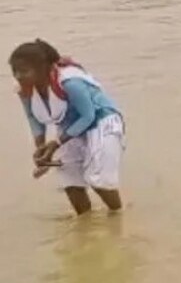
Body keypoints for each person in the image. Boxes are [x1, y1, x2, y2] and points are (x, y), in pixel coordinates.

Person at [11, 40, 125, 215]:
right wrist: (41, 150)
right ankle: (85, 221)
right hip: (70, 126)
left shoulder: (69, 83)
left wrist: (56, 143)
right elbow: (34, 118)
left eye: (25, 71)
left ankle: (117, 216)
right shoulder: (24, 90)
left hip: (102, 121)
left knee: (98, 178)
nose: (19, 76)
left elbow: (88, 116)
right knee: (69, 178)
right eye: (15, 71)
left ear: (45, 69)